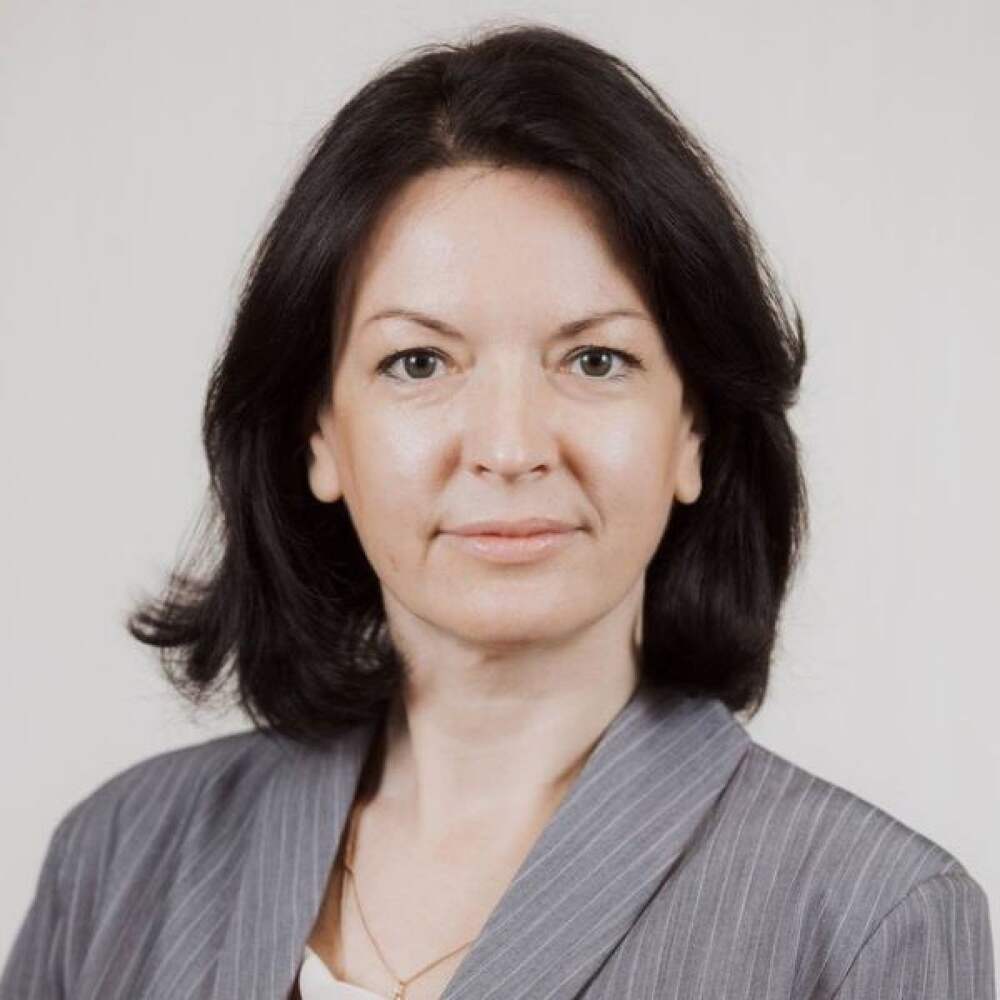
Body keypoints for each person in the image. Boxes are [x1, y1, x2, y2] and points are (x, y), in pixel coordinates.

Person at [2, 22, 994, 1000]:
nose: (511, 447)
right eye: (417, 362)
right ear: (320, 435)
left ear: (694, 431)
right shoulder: (118, 858)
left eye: (595, 360)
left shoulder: (871, 919)